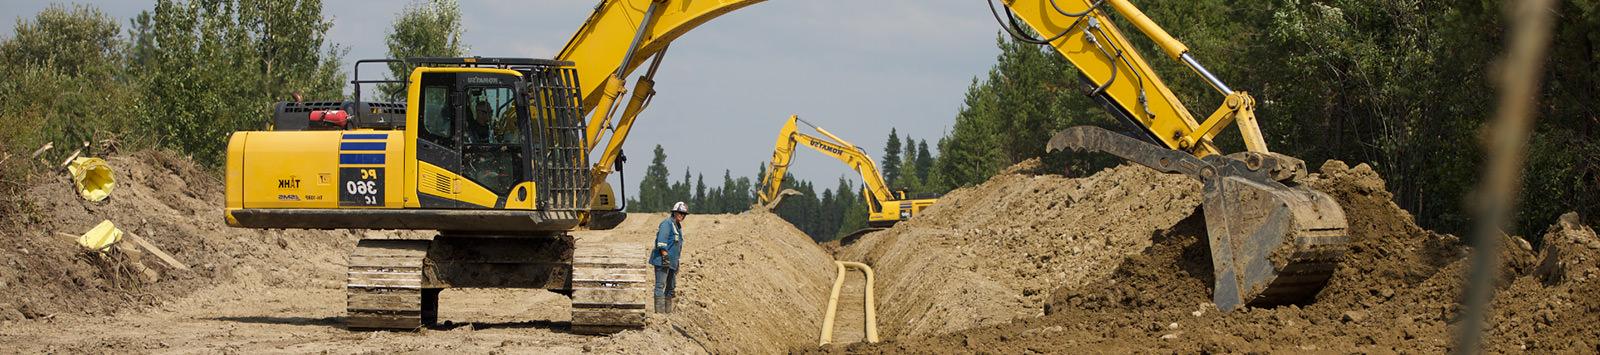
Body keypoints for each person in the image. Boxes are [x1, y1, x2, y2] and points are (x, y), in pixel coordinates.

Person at [649, 201, 688, 314]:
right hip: (662, 260)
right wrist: (665, 257)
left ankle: (667, 313)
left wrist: (676, 263)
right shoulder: (667, 224)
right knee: (660, 285)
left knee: (671, 287)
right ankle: (660, 315)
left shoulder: (677, 226)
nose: (681, 215)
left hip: (672, 262)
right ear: (674, 212)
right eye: (679, 213)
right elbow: (661, 241)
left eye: (683, 214)